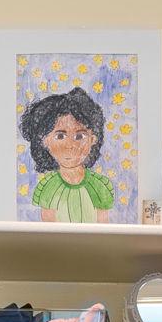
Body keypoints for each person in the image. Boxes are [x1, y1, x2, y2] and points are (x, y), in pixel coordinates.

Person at [21, 87, 115, 223]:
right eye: (60, 136)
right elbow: (49, 229)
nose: (70, 145)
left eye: (79, 136)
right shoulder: (48, 187)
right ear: (44, 141)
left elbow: (103, 229)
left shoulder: (100, 186)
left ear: (93, 139)